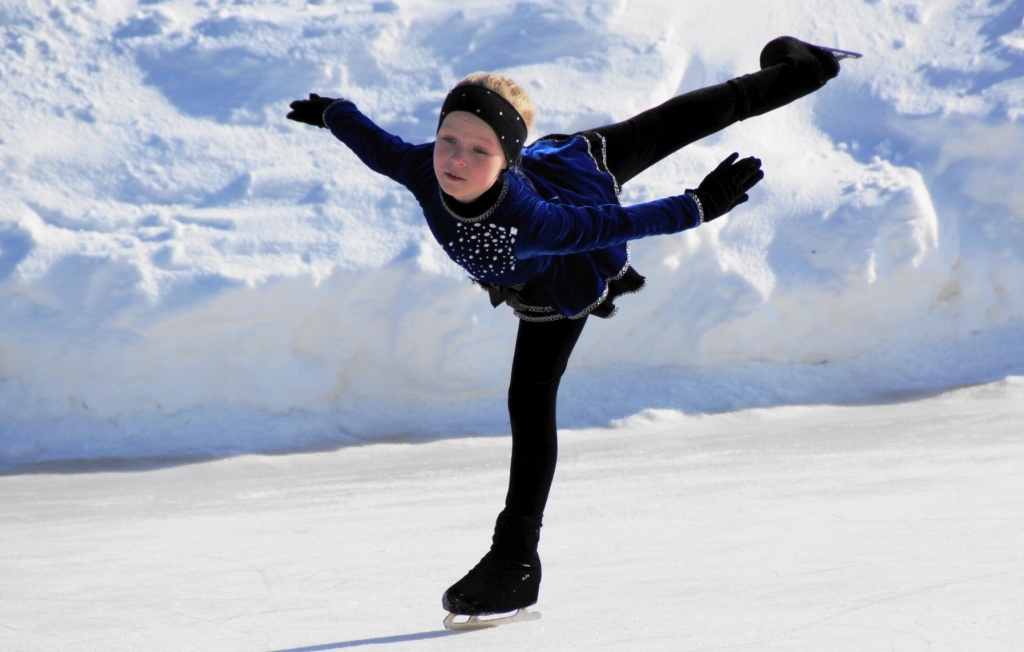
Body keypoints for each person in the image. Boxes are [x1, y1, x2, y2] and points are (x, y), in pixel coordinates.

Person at [287, 36, 843, 620]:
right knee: (665, 124)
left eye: (478, 150)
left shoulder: (534, 222)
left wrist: (698, 205)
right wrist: (334, 113)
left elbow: (613, 222)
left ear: (506, 161)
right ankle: (800, 70)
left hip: (561, 272)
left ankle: (514, 563)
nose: (454, 159)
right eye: (448, 139)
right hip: (561, 170)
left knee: (530, 401)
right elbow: (381, 146)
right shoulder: (424, 170)